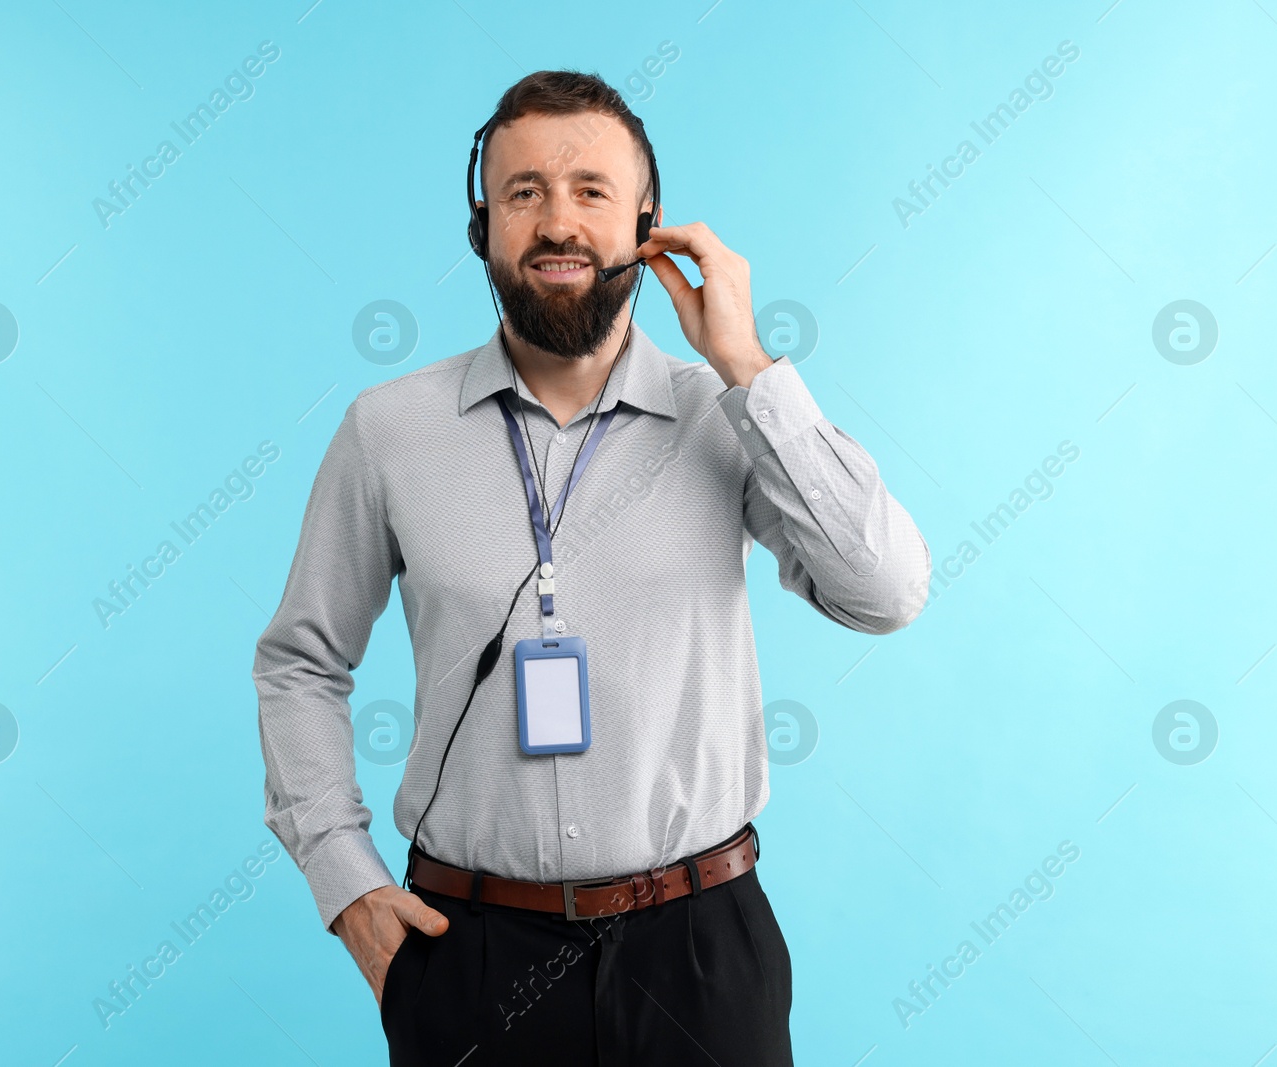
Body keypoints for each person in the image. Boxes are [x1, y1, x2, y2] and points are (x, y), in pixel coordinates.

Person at [253, 70, 931, 1065]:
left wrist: (749, 367)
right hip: (470, 954)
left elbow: (884, 592)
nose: (556, 220)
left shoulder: (728, 415)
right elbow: (299, 662)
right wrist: (344, 880)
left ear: (647, 222)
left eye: (591, 191)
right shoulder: (389, 430)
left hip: (701, 951)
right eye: (522, 192)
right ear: (481, 226)